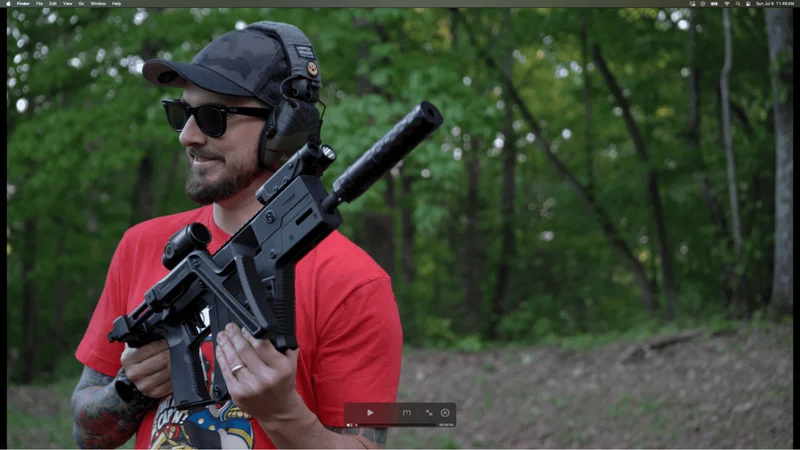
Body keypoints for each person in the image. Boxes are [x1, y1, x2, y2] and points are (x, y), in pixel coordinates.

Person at [71, 21, 403, 450]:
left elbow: (368, 445)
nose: (188, 136)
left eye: (213, 117)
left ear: (285, 127)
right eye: (181, 114)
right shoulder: (139, 245)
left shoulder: (357, 283)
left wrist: (284, 415)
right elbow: (84, 430)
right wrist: (129, 391)